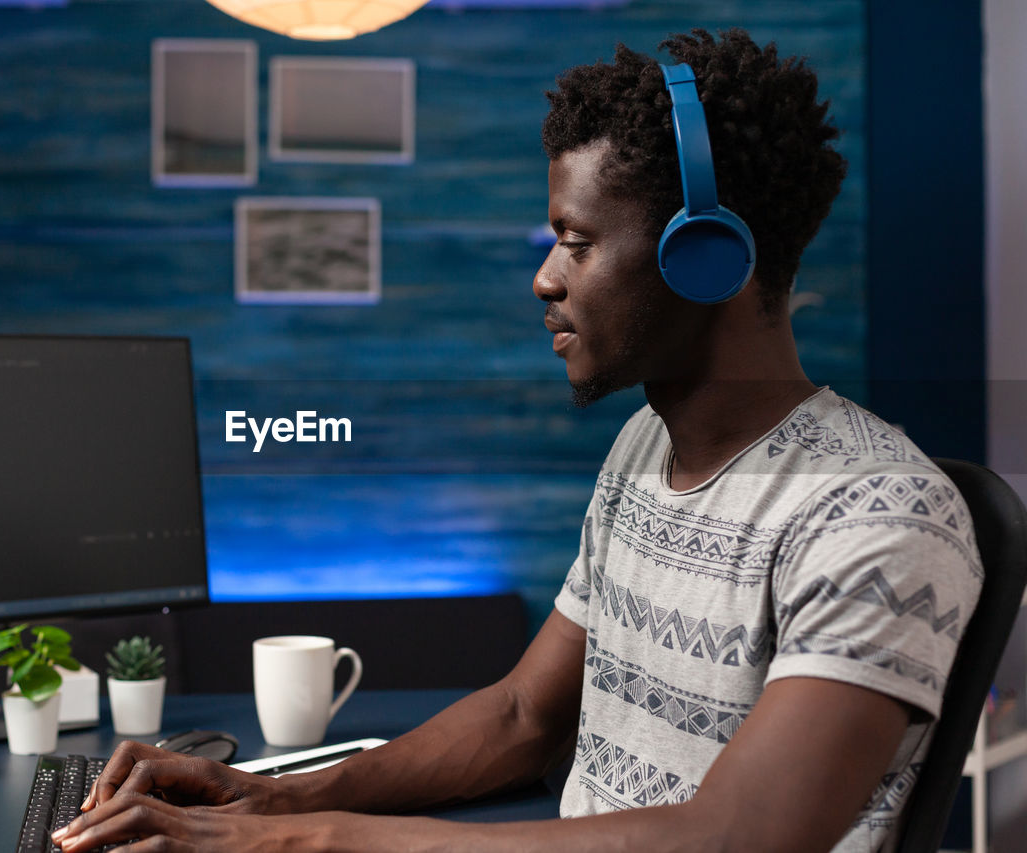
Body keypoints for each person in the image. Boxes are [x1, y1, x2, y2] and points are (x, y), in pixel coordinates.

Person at [53, 28, 982, 852]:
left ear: (707, 257)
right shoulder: (639, 452)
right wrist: (266, 799)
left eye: (575, 242)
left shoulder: (880, 518)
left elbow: (734, 834)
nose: (545, 279)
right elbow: (521, 714)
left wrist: (305, 840)